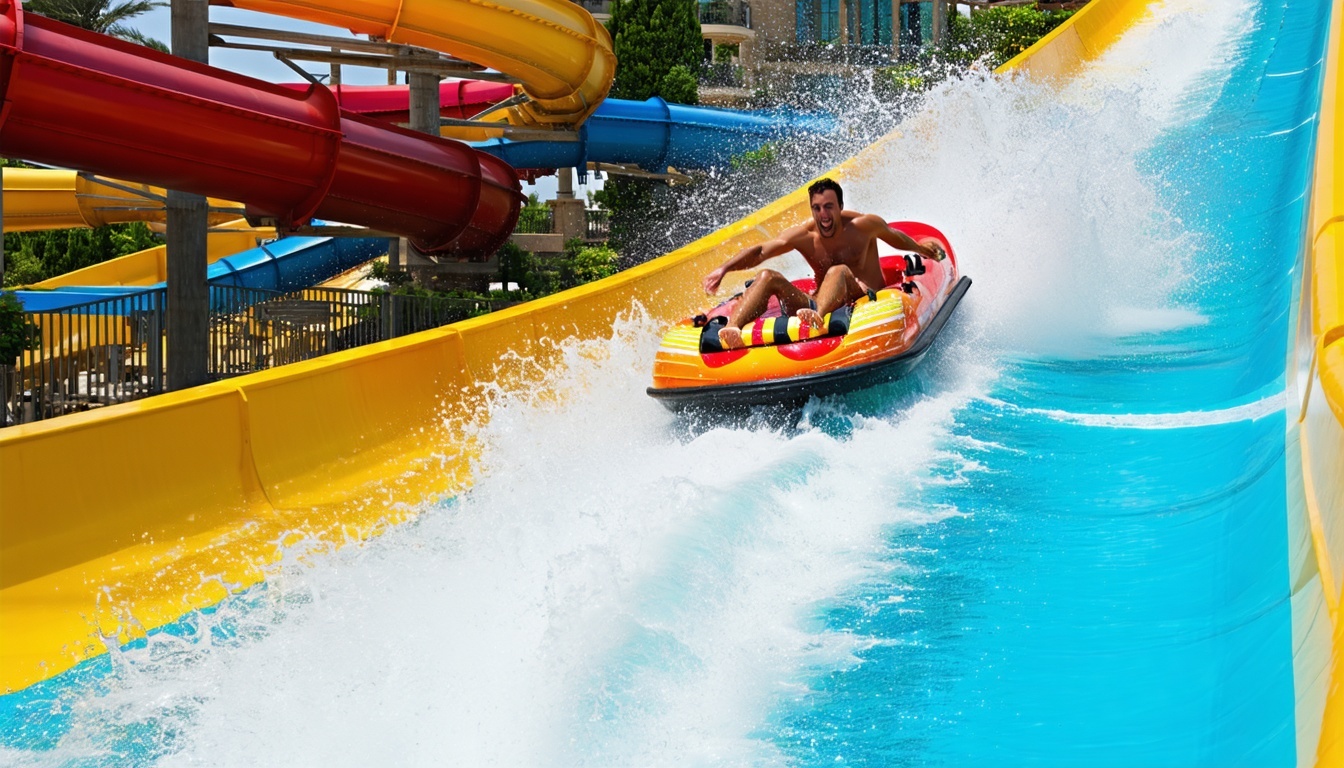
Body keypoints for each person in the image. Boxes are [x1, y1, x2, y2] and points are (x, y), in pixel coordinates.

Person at [702, 178, 945, 349]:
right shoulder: (805, 237)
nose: (823, 215)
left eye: (829, 207)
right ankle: (733, 328)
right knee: (767, 275)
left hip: (862, 298)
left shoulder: (863, 226)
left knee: (837, 270)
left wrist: (922, 249)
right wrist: (724, 268)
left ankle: (817, 317)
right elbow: (761, 251)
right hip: (815, 301)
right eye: (816, 208)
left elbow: (894, 237)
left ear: (840, 207)